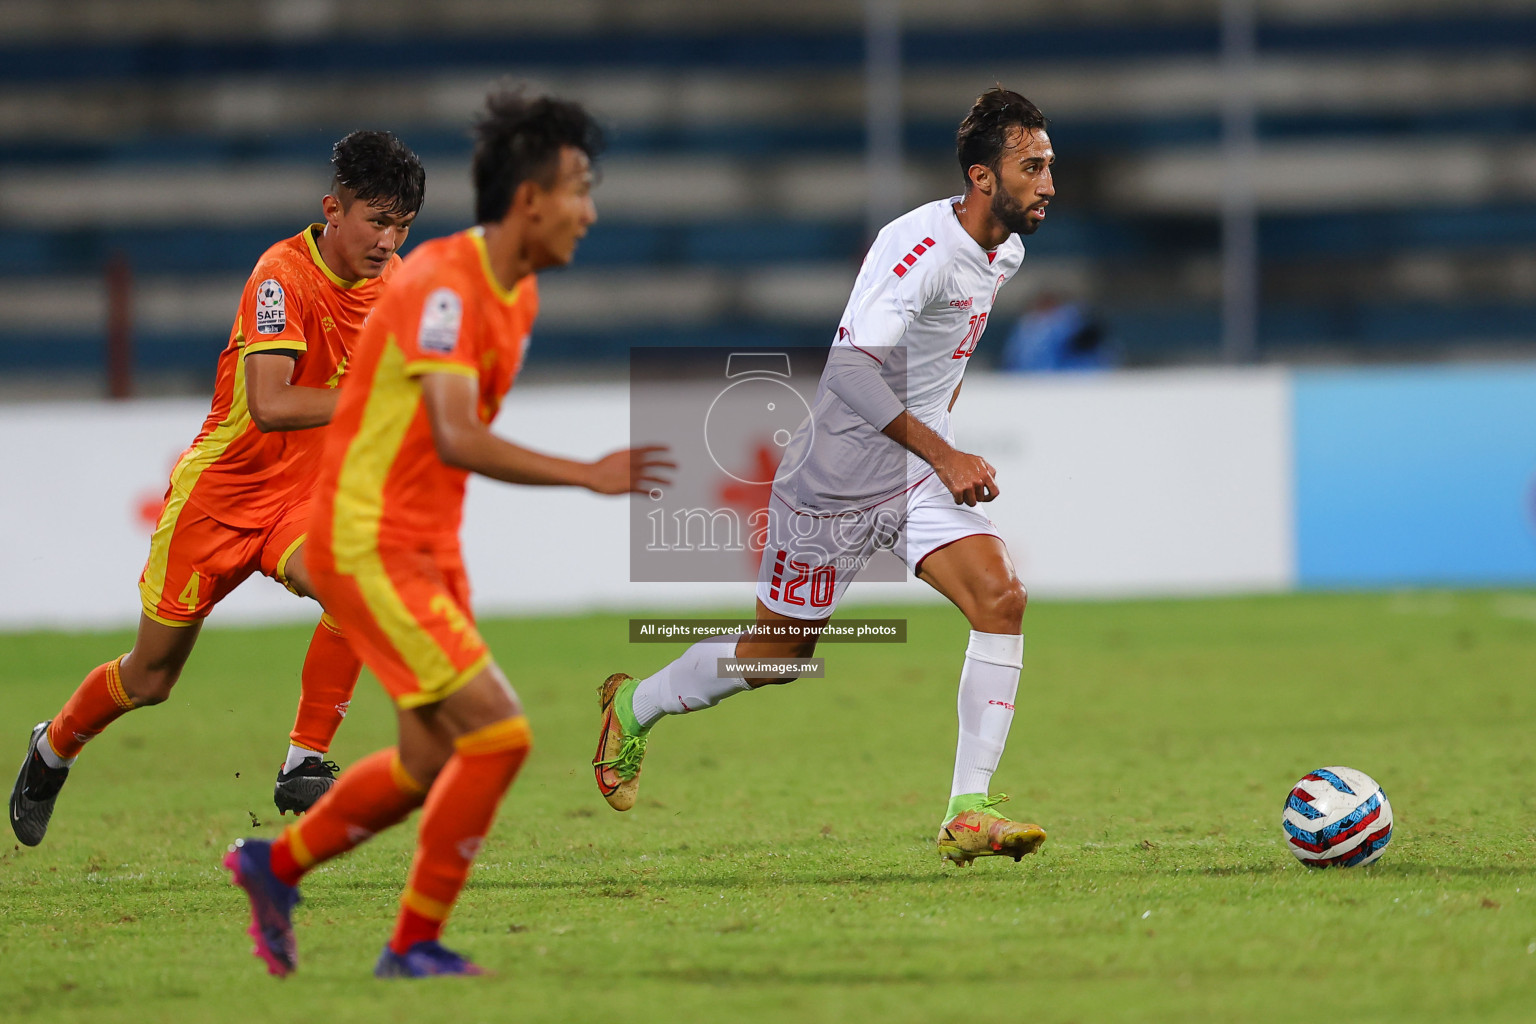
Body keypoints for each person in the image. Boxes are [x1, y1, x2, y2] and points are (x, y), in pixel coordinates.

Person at [222, 89, 673, 980]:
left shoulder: (519, 293)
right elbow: (455, 432)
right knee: (499, 737)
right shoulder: (442, 286)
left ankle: (273, 868)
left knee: (430, 757)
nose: (591, 210)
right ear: (531, 199)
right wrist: (585, 473)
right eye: (580, 189)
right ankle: (411, 944)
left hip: (426, 545)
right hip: (367, 541)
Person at [594, 87, 1054, 868]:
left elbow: (946, 357)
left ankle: (966, 810)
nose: (1048, 183)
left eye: (1050, 165)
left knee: (1001, 595)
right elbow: (848, 372)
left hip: (911, 474)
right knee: (777, 657)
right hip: (835, 484)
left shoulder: (1004, 250)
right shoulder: (920, 251)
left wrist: (938, 443)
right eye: (1032, 166)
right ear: (983, 177)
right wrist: (945, 452)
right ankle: (634, 705)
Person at [9, 132, 425, 846]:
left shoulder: (398, 287)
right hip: (220, 500)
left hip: (300, 501)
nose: (389, 241)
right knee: (150, 678)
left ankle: (305, 760)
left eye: (402, 227)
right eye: (377, 221)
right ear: (333, 209)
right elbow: (271, 402)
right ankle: (53, 747)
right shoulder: (280, 278)